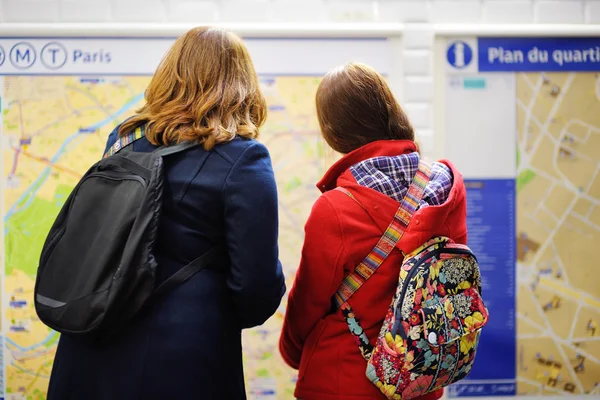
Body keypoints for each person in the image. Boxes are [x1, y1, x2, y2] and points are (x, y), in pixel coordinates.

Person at [47, 27, 285, 400]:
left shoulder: (122, 141)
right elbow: (256, 289)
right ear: (241, 85)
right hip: (179, 360)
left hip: (89, 341)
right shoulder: (244, 160)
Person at [279, 63, 467, 400]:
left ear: (333, 135)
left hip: (342, 380)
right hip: (419, 381)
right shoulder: (445, 188)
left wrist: (294, 353)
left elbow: (308, 303)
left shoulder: (336, 208)